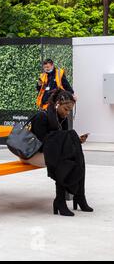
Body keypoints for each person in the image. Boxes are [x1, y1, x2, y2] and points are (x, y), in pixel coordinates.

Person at [22, 89, 92, 217]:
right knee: (63, 157)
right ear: (57, 104)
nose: (67, 113)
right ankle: (60, 200)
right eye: (66, 109)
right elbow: (40, 144)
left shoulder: (61, 119)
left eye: (70, 110)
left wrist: (76, 141)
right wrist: (63, 141)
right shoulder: (41, 117)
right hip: (30, 154)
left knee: (77, 154)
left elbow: (62, 141)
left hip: (48, 153)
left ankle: (79, 196)